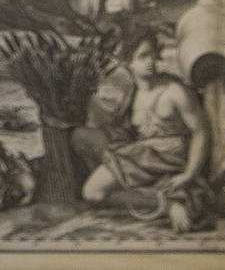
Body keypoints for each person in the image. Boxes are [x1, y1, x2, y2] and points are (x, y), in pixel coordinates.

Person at [81, 28, 211, 230]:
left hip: (170, 157)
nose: (150, 62)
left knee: (93, 192)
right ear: (128, 62)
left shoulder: (175, 91)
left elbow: (201, 132)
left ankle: (167, 202)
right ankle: (167, 204)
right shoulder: (130, 94)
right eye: (142, 57)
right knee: (92, 193)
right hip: (143, 158)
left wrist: (190, 174)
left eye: (152, 55)